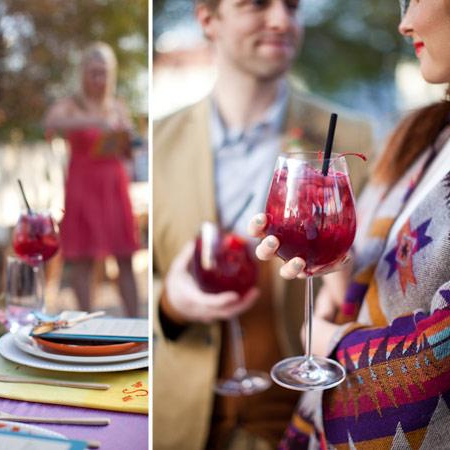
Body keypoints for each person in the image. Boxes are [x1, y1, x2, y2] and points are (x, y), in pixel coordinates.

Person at [153, 0, 374, 449]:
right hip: (181, 423)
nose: (280, 19)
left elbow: (379, 281)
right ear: (207, 18)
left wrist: (346, 285)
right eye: (257, 4)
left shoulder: (354, 140)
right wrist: (170, 302)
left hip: (307, 420)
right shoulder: (159, 143)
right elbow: (149, 277)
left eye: (292, 6)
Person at [248, 0, 450, 447]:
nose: (404, 23)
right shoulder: (422, 135)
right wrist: (339, 277)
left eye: (419, 0)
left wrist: (329, 343)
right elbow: (384, 267)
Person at [45, 42, 140, 317]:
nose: (98, 79)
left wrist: (127, 139)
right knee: (82, 259)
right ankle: (88, 323)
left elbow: (129, 152)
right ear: (83, 73)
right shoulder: (71, 105)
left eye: (104, 73)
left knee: (125, 257)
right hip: (82, 186)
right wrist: (93, 122)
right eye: (93, 72)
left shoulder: (117, 107)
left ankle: (135, 324)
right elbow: (50, 123)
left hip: (113, 185)